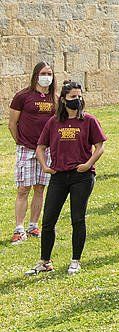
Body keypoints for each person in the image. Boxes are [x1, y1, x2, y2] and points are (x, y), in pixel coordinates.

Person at [25, 81, 105, 275]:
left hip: (81, 177)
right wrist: (44, 166)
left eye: (79, 96)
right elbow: (40, 147)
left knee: (77, 218)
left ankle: (75, 260)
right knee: (49, 220)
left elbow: (100, 145)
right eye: (72, 97)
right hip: (59, 176)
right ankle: (45, 261)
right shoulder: (54, 122)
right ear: (63, 100)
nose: (76, 100)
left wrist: (88, 164)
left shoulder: (89, 120)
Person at [9, 62, 56, 243]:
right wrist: (21, 142)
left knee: (40, 188)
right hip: (26, 149)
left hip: (46, 150)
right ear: (36, 75)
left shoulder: (54, 98)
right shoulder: (23, 96)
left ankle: (33, 225)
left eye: (50, 73)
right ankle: (19, 228)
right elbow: (12, 123)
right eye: (43, 73)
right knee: (23, 189)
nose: (47, 77)